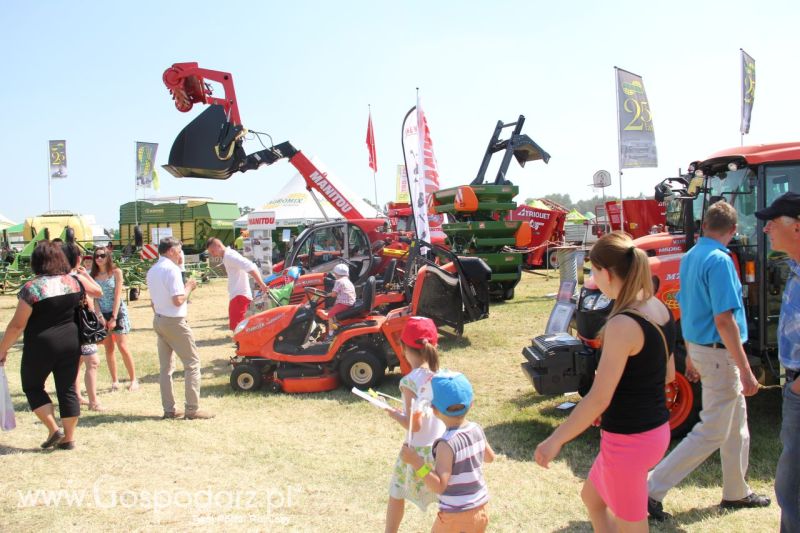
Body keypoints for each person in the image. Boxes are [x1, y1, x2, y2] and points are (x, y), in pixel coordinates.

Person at [535, 232, 676, 531]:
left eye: (593, 272)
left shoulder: (622, 324)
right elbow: (669, 374)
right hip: (654, 431)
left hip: (628, 442)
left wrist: (554, 440)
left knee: (631, 525)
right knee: (592, 498)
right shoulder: (658, 307)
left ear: (608, 273)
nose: (593, 279)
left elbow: (600, 397)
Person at [647, 200, 769, 520]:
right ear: (733, 230)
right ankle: (650, 490)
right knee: (714, 430)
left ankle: (736, 491)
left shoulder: (690, 257)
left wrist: (690, 353)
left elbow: (685, 306)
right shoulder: (720, 260)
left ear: (704, 226)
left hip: (703, 349)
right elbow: (724, 320)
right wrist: (745, 369)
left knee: (736, 425)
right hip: (720, 353)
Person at [0, 241, 102, 450]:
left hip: (41, 343)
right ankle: (69, 438)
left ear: (37, 262)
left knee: (32, 386)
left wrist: (2, 349)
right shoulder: (74, 282)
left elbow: (17, 325)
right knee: (67, 389)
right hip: (71, 341)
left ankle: (54, 429)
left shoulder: (33, 288)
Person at [401, 371, 495, 533]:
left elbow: (438, 486)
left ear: (434, 409)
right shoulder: (477, 429)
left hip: (456, 516)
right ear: (471, 403)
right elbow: (489, 457)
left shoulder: (446, 444)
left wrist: (416, 462)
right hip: (481, 510)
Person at [756, 192, 800, 532]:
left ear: (797, 227)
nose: (767, 227)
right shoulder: (794, 269)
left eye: (774, 221)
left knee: (792, 488)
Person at [384, 317, 446, 533]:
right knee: (444, 496)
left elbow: (414, 425)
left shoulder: (409, 382)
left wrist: (393, 414)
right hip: (441, 449)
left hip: (415, 453)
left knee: (396, 493)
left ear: (403, 348)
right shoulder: (441, 376)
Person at [146, 237, 213, 420]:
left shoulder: (152, 270)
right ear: (170, 251)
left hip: (159, 319)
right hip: (174, 321)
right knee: (192, 364)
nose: (181, 253)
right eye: (179, 250)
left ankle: (169, 409)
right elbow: (178, 300)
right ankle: (192, 409)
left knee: (166, 368)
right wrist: (189, 287)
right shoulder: (172, 270)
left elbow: (154, 301)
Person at [62, 243, 106, 411]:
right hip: (81, 326)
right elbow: (98, 292)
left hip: (68, 325)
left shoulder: (58, 277)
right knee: (92, 362)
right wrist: (86, 276)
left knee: (77, 362)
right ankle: (93, 401)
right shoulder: (77, 277)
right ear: (78, 259)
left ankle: (78, 396)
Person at [90, 246, 138, 391]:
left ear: (108, 257)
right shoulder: (93, 276)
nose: (99, 258)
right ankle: (115, 380)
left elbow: (118, 295)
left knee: (122, 346)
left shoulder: (116, 272)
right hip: (102, 314)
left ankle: (133, 379)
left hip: (117, 312)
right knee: (108, 347)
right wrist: (100, 317)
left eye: (102, 255)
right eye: (96, 256)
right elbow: (95, 299)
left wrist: (114, 317)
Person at [205, 237, 267, 331]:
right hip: (238, 295)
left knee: (238, 327)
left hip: (239, 296)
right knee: (238, 326)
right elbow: (250, 266)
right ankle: (241, 344)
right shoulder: (228, 255)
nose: (212, 255)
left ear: (218, 246)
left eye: (213, 251)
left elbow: (250, 267)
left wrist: (261, 284)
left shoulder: (230, 256)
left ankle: (241, 344)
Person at [326, 263, 356, 338]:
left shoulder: (338, 281)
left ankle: (330, 333)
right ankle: (336, 324)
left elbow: (333, 294)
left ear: (336, 274)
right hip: (351, 302)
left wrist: (327, 295)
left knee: (330, 314)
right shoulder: (348, 281)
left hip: (344, 303)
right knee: (334, 310)